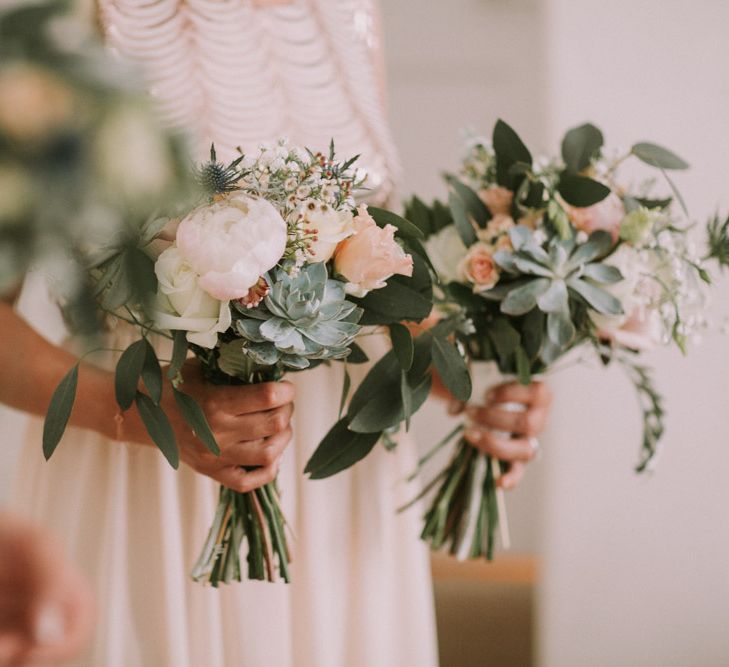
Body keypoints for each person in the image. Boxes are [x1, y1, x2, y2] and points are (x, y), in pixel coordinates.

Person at [7, 1, 552, 664]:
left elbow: (371, 263)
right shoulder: (68, 15)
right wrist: (156, 417)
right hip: (151, 457)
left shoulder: (349, 12)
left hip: (339, 474)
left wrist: (468, 382)